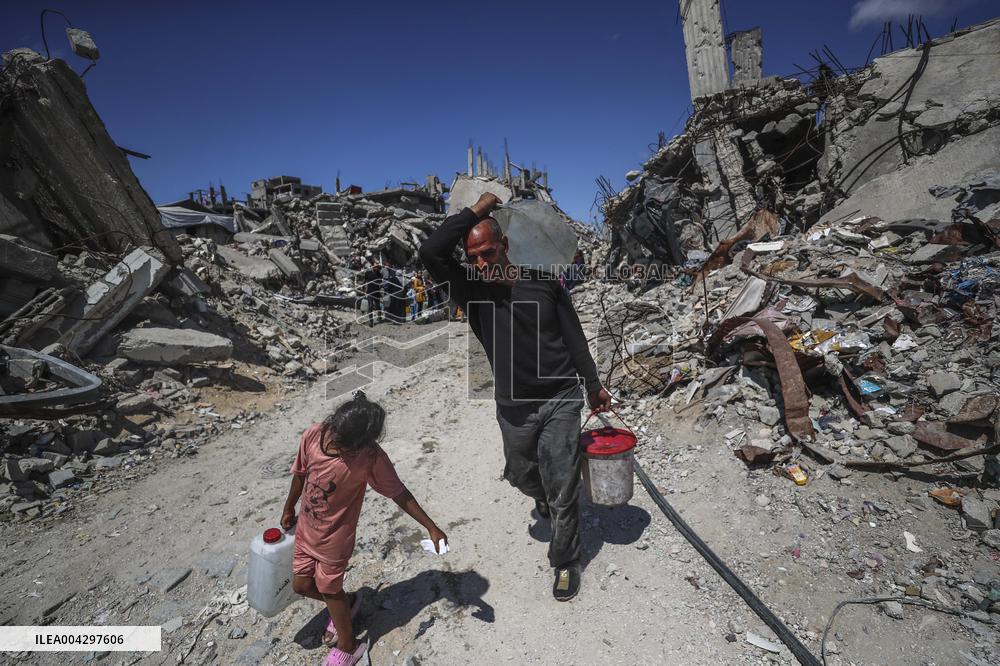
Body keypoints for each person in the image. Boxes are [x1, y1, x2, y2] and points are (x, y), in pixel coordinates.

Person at [418, 192, 611, 602]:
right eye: (474, 258)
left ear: (505, 245)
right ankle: (539, 495)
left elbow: (574, 336)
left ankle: (565, 560)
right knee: (522, 476)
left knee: (563, 485)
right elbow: (431, 251)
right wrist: (476, 210)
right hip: (513, 407)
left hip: (561, 397)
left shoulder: (544, 284)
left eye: (488, 252)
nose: (482, 263)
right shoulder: (472, 293)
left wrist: (593, 385)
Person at [281, 391, 447, 666]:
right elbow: (300, 474)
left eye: (344, 446)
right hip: (306, 532)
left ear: (361, 443)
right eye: (333, 435)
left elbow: (398, 492)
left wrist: (431, 527)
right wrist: (289, 507)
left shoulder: (369, 456)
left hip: (335, 539)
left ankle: (350, 645)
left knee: (328, 588)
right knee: (302, 585)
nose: (334, 445)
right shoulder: (313, 435)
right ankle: (348, 603)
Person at [361, 261, 382, 327]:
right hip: (370, 292)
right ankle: (371, 321)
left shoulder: (379, 274)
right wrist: (363, 288)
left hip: (377, 292)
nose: (376, 268)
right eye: (375, 267)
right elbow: (364, 281)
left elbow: (381, 283)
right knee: (370, 306)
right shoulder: (368, 273)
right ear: (372, 266)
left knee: (378, 306)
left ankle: (379, 316)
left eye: (377, 267)